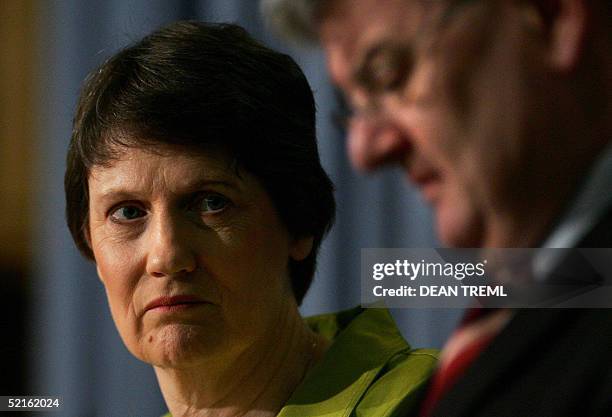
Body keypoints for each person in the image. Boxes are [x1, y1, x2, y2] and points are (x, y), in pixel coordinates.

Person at [64, 21, 437, 417]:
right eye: (127, 213)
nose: (166, 256)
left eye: (210, 203)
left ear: (299, 221)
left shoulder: (441, 400)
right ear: (90, 242)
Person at [262, 0, 612, 416]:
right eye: (355, 108)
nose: (364, 151)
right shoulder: (545, 290)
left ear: (552, 17)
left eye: (389, 74)